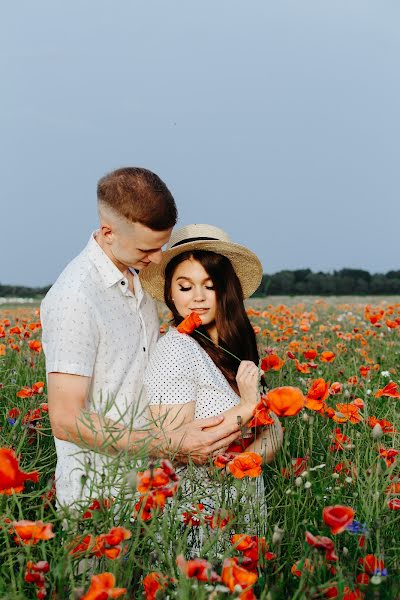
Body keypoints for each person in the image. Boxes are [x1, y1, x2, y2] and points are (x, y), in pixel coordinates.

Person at [40, 169, 241, 507]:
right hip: (99, 493)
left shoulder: (141, 281)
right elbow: (65, 419)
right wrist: (168, 444)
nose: (158, 258)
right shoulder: (75, 297)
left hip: (153, 486)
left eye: (162, 245)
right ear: (108, 233)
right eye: (147, 248)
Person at [140, 224, 283, 499]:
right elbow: (175, 445)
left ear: (226, 290)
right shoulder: (176, 349)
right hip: (197, 511)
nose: (198, 297)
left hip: (243, 503)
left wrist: (236, 466)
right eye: (185, 286)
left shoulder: (235, 349)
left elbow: (274, 429)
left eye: (210, 285)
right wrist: (248, 406)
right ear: (170, 292)